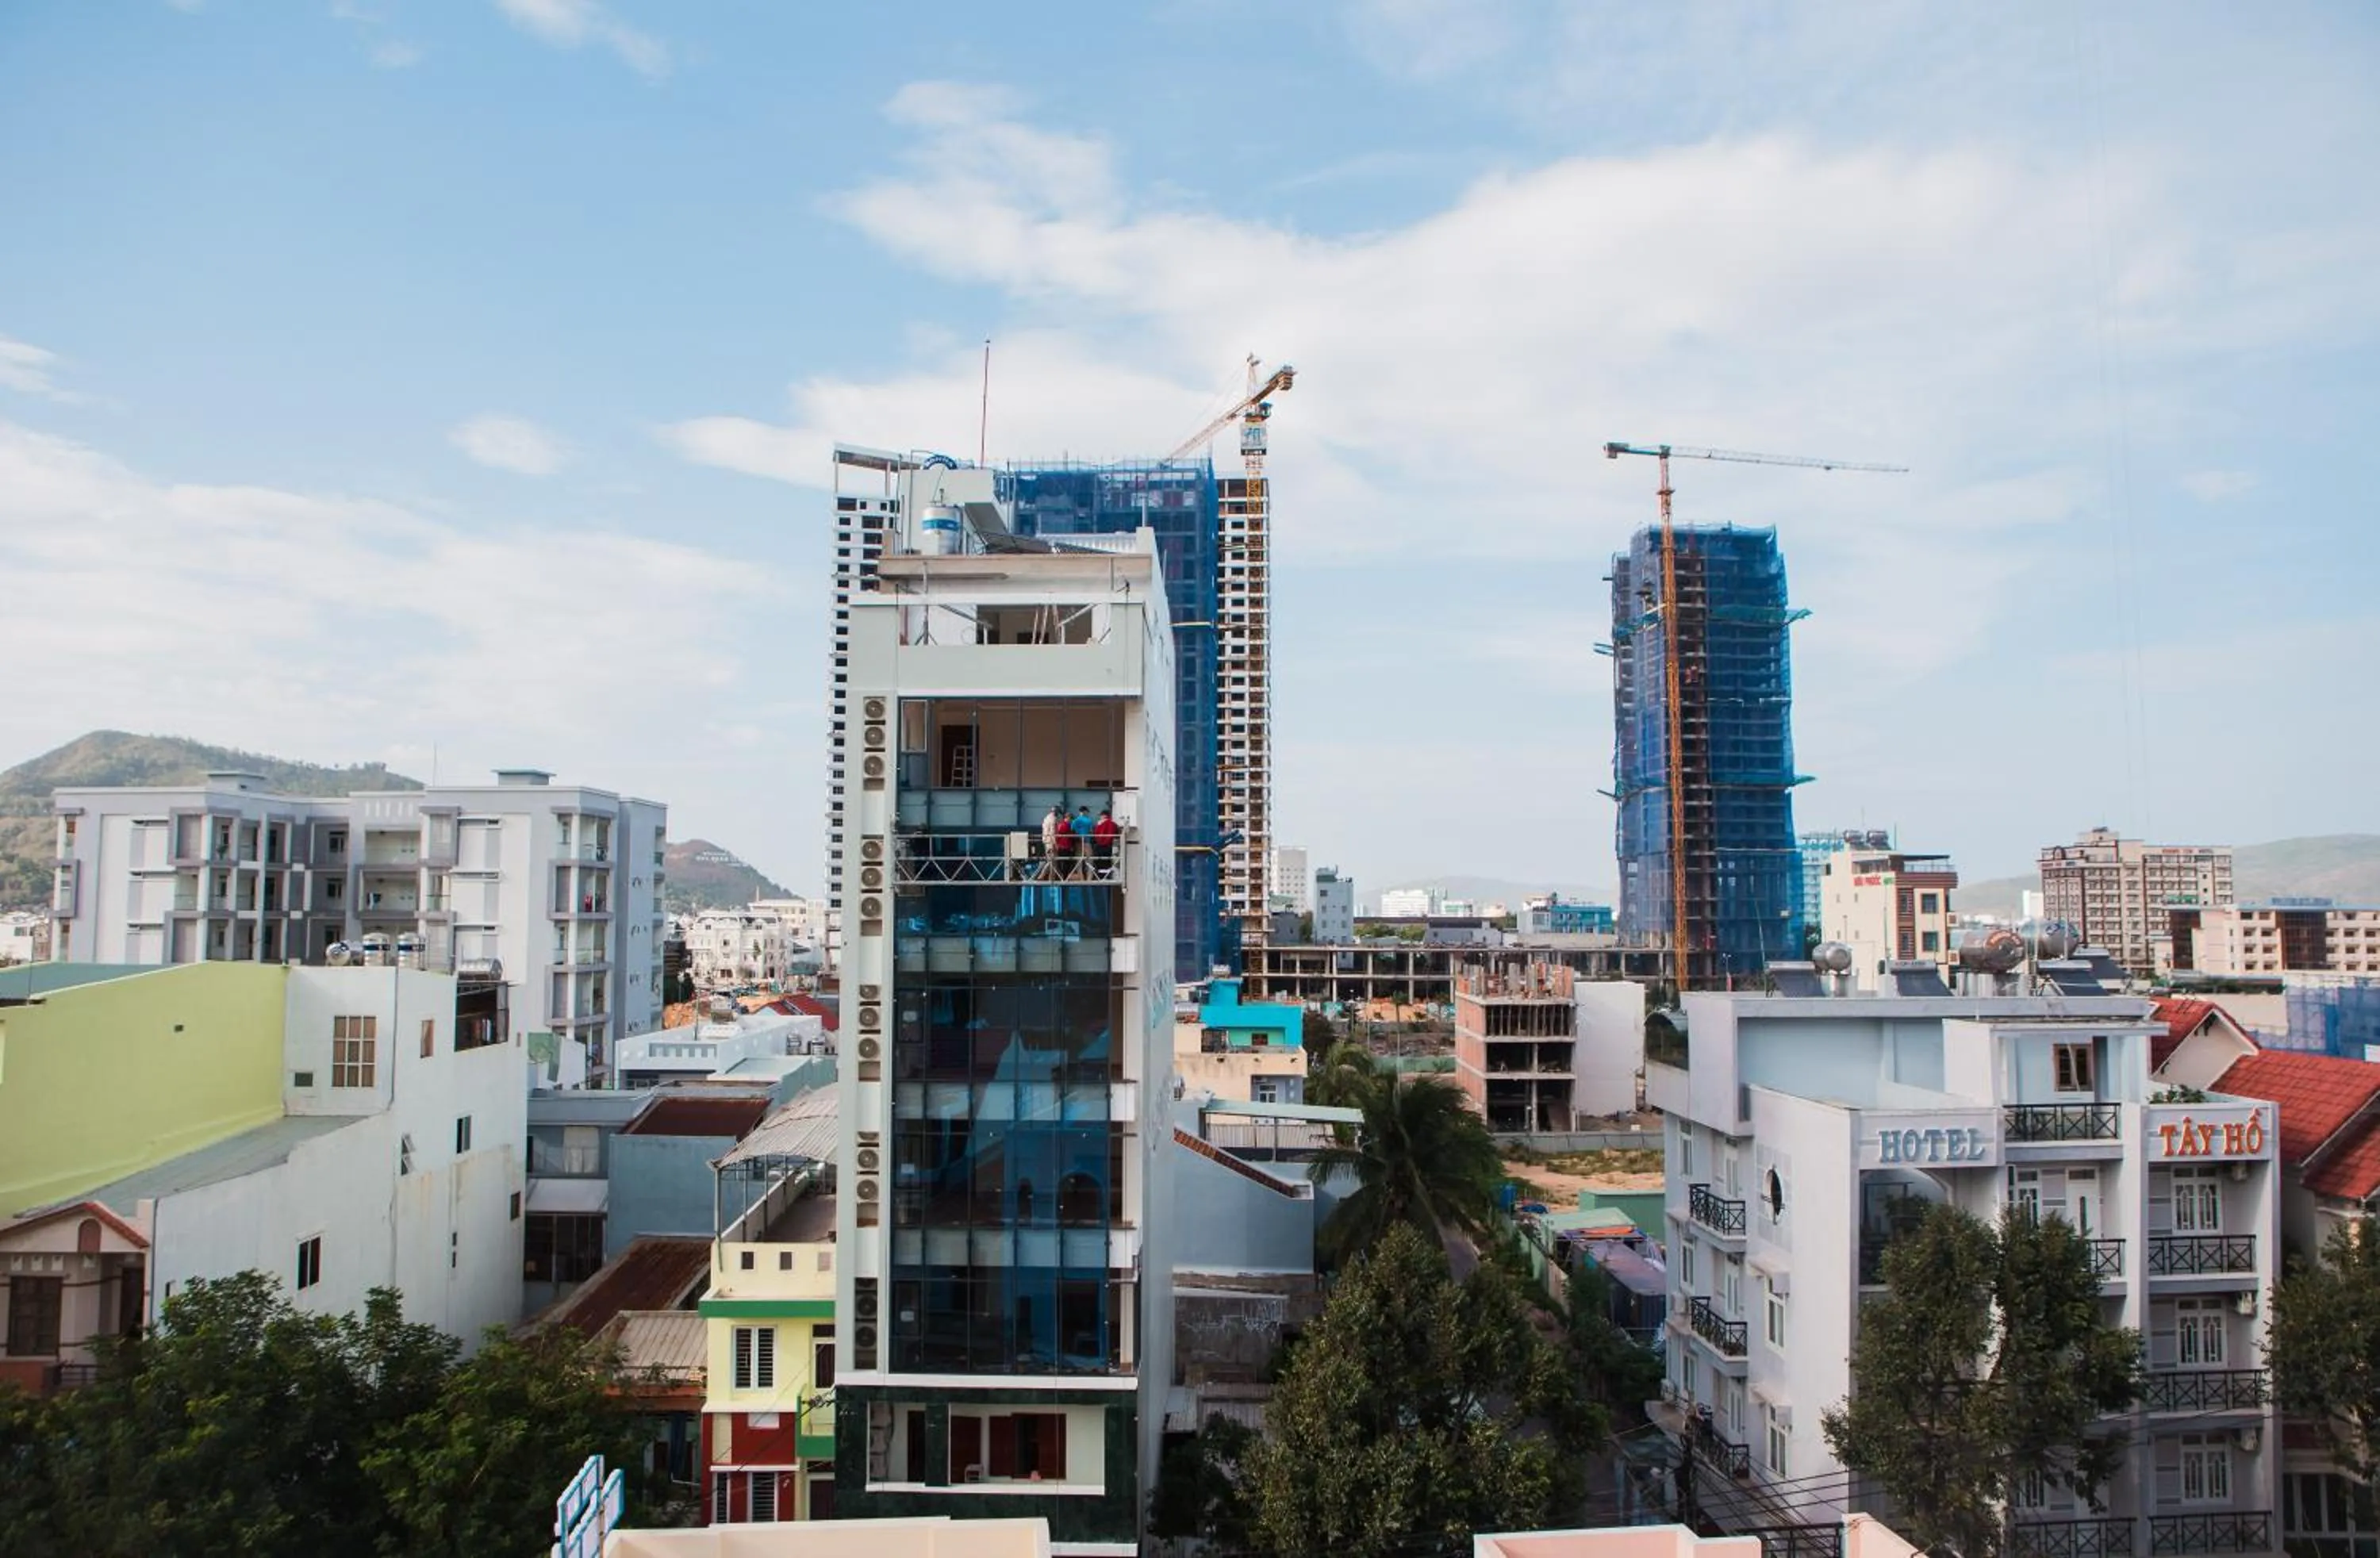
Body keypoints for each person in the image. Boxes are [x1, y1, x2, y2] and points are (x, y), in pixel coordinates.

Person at [1049, 804, 1077, 880]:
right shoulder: (1065, 825)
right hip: (1065, 847)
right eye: (1071, 819)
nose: (1071, 821)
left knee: (1063, 863)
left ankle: (1063, 877)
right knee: (1065, 863)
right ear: (1067, 818)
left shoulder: (1062, 825)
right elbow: (1063, 835)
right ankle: (1064, 877)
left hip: (1063, 846)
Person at [1091, 808, 1119, 877]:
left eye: (1101, 815)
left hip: (1098, 847)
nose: (1100, 817)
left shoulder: (1099, 824)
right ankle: (1106, 877)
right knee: (1107, 863)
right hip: (1108, 847)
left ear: (1104, 815)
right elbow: (1117, 834)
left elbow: (1095, 834)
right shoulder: (1113, 824)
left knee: (1098, 863)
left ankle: (1099, 877)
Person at [1041, 804, 1064, 879]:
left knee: (1053, 861)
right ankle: (1041, 876)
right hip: (1051, 842)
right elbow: (1053, 833)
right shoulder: (1053, 819)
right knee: (1052, 861)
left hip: (1046, 841)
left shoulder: (1046, 818)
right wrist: (1056, 844)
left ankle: (1057, 876)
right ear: (1056, 812)